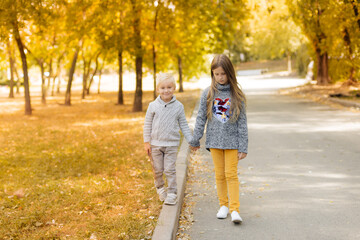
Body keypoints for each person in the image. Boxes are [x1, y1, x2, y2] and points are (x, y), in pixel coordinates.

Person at [190, 54, 248, 224]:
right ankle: (223, 205)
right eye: (217, 74)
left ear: (230, 73)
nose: (220, 77)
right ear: (212, 74)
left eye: (223, 74)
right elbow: (201, 118)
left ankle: (235, 209)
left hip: (232, 142)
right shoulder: (207, 94)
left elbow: (242, 122)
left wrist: (243, 146)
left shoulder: (237, 94)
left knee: (231, 174)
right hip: (214, 141)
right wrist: (195, 139)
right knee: (219, 175)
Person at [143, 73, 193, 205]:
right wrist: (146, 142)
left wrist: (190, 140)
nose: (166, 90)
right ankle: (160, 188)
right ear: (158, 89)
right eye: (163, 88)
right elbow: (147, 124)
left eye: (169, 87)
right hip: (155, 145)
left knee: (170, 169)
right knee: (158, 169)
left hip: (171, 144)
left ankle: (172, 193)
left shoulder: (178, 107)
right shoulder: (152, 106)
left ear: (174, 88)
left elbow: (184, 125)